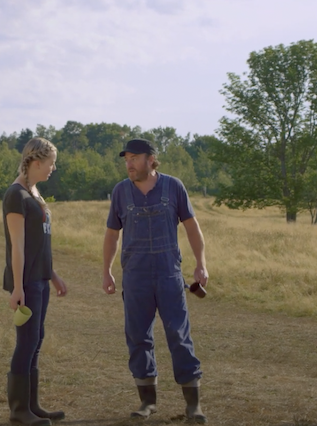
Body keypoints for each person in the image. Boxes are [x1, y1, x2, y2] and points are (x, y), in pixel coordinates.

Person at [102, 138, 209, 424]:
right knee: (138, 337)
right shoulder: (121, 192)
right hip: (135, 276)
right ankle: (147, 402)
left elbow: (191, 226)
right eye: (126, 159)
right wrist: (107, 270)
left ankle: (193, 406)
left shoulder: (173, 187)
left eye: (135, 158)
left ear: (151, 159)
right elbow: (112, 234)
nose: (129, 164)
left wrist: (201, 264)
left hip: (168, 274)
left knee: (178, 334)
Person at [2, 137, 68, 426]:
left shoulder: (34, 193)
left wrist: (52, 274)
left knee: (36, 340)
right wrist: (17, 287)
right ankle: (19, 411)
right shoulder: (16, 195)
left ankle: (32, 405)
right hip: (26, 282)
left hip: (40, 279)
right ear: (36, 162)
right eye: (51, 163)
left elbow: (39, 243)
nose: (54, 168)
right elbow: (17, 246)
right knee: (26, 342)